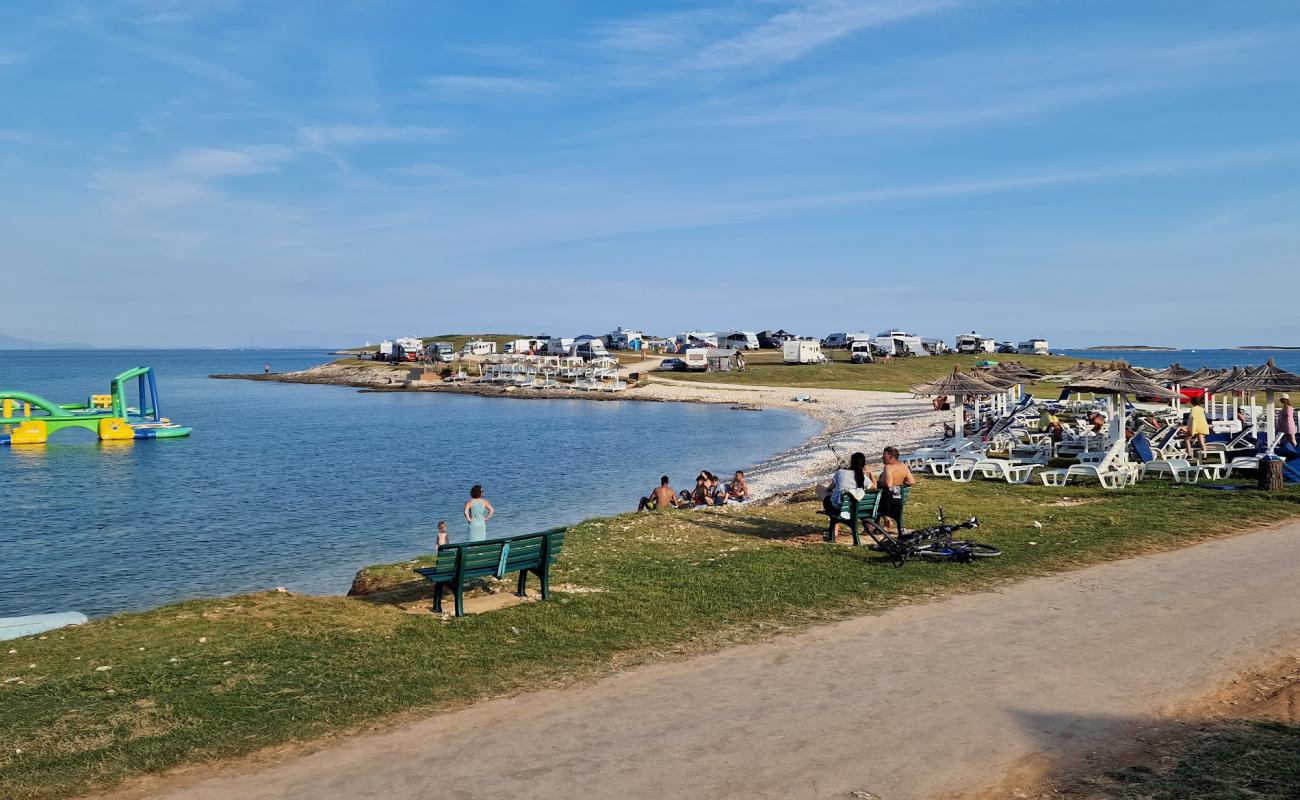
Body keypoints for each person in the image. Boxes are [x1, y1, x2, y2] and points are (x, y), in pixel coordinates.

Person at [823, 452, 873, 541]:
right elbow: (874, 486)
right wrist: (870, 474)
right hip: (858, 507)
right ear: (863, 465)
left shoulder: (841, 472)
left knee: (827, 500)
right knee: (854, 501)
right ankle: (869, 527)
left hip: (842, 507)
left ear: (851, 462)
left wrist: (829, 491)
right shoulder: (863, 477)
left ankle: (835, 529)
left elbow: (831, 487)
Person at [877, 446, 916, 533]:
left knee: (873, 504)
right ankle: (886, 521)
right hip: (898, 496)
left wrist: (879, 483)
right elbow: (911, 481)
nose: (882, 458)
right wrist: (899, 484)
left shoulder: (888, 467)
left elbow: (889, 484)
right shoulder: (903, 466)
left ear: (890, 457)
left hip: (887, 499)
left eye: (884, 456)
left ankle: (884, 521)